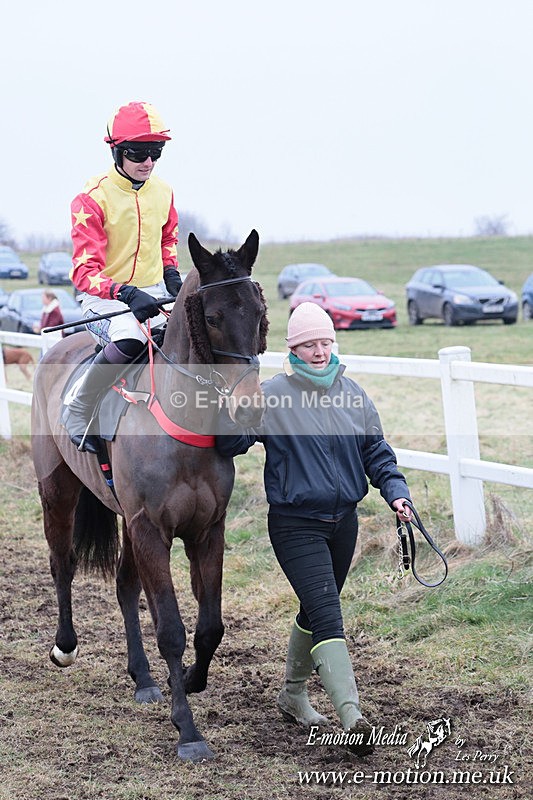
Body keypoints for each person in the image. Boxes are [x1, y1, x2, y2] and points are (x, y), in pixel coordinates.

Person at [216, 302, 413, 755]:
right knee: (328, 613)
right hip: (294, 525)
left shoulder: (353, 394)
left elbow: (376, 452)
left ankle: (292, 695)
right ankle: (352, 717)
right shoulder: (274, 394)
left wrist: (396, 492)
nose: (320, 351)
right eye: (309, 344)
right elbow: (231, 443)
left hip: (344, 522)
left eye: (325, 342)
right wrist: (236, 407)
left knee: (316, 606)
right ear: (294, 349)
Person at [67, 100, 183, 453]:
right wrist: (127, 294)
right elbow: (84, 272)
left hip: (154, 291)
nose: (148, 162)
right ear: (117, 151)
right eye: (139, 153)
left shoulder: (163, 191)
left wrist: (172, 274)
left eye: (156, 152)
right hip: (103, 299)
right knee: (132, 339)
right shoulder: (92, 198)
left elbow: (168, 239)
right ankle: (80, 407)